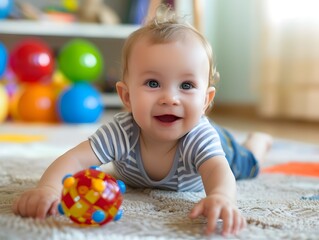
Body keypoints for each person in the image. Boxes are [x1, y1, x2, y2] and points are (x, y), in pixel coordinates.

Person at [12, 5, 272, 236]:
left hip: (223, 147)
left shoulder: (199, 136)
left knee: (247, 164)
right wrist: (48, 188)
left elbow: (217, 170)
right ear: (126, 96)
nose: (170, 98)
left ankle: (256, 142)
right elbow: (75, 159)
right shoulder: (122, 131)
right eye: (153, 83)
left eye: (186, 85)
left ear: (206, 100)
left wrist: (221, 196)